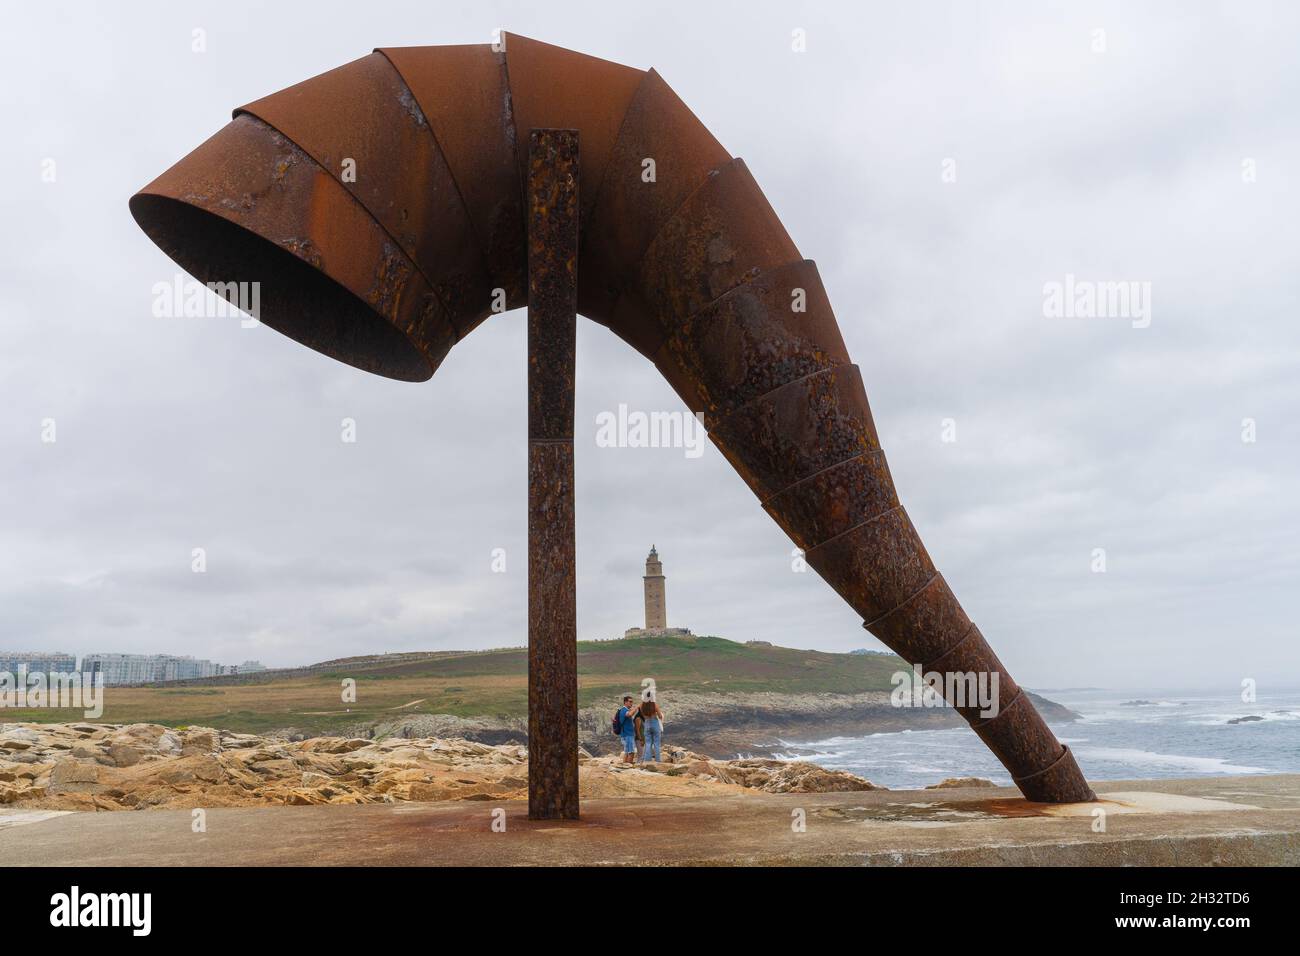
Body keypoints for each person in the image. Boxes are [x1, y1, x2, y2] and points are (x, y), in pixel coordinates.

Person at [639, 695, 664, 763]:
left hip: (647, 723)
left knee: (648, 743)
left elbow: (642, 715)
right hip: (654, 723)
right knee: (656, 743)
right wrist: (660, 716)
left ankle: (647, 760)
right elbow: (660, 716)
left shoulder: (642, 705)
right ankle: (658, 760)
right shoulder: (654, 704)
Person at [617, 695, 638, 764]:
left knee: (626, 752)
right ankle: (629, 767)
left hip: (626, 734)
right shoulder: (624, 710)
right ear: (625, 702)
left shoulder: (624, 710)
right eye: (630, 702)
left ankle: (624, 765)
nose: (631, 703)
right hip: (627, 734)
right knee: (631, 752)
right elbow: (629, 715)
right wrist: (636, 708)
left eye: (632, 702)